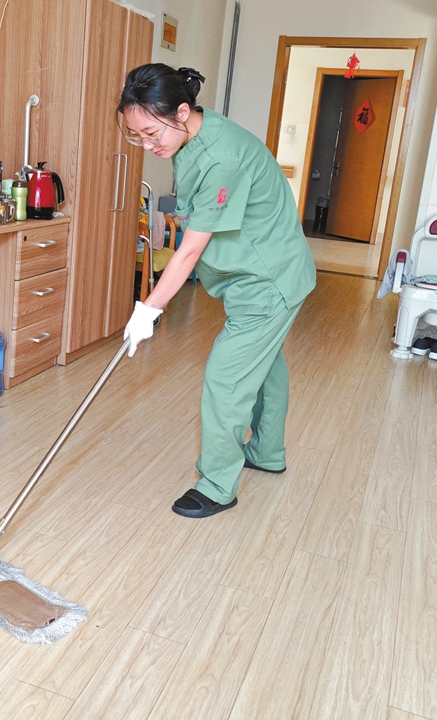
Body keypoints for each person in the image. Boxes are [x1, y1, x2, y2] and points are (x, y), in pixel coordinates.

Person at [119, 64, 316, 519]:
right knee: (263, 367)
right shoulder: (193, 135)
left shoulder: (222, 156)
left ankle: (217, 484)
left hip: (268, 280)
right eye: (137, 136)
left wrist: (148, 309)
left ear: (182, 112)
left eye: (152, 133)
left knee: (227, 379)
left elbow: (188, 253)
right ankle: (266, 453)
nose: (148, 146)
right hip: (257, 275)